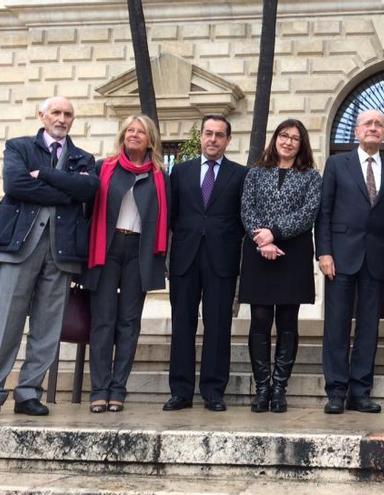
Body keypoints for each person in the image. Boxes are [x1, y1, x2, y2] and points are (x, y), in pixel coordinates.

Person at [0, 96, 99, 418]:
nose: (62, 118)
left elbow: (87, 192)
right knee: (6, 322)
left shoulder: (83, 158)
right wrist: (66, 191)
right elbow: (16, 185)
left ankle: (29, 392)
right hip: (18, 245)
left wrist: (43, 175)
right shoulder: (19, 147)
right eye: (55, 112)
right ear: (42, 115)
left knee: (48, 324)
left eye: (68, 114)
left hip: (62, 250)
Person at [316, 109, 384, 414]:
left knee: (369, 327)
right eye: (368, 124)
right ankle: (336, 391)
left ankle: (360, 392)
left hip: (377, 259)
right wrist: (323, 252)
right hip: (340, 256)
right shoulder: (337, 164)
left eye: (379, 125)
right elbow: (324, 211)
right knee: (336, 325)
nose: (374, 128)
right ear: (356, 131)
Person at [84, 114, 168, 413]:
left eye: (141, 132)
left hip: (139, 250)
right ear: (123, 135)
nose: (134, 135)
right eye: (130, 130)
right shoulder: (104, 168)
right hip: (105, 248)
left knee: (129, 323)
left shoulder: (159, 175)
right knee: (103, 321)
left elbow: (166, 220)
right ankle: (99, 389)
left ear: (150, 140)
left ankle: (118, 388)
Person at [164, 115, 247, 412]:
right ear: (201, 137)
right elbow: (171, 217)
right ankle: (180, 392)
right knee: (182, 325)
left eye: (219, 135)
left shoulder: (241, 174)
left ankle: (213, 391)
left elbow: (243, 219)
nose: (213, 139)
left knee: (218, 326)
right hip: (185, 259)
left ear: (228, 140)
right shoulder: (180, 172)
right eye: (208, 134)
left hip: (221, 260)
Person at [239, 119, 322, 413]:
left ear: (302, 145)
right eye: (283, 136)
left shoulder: (312, 177)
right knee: (260, 320)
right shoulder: (255, 173)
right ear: (275, 139)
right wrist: (262, 239)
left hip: (293, 253)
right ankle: (262, 389)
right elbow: (247, 209)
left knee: (287, 322)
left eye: (295, 138)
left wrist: (274, 232)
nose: (287, 142)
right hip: (258, 251)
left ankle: (279, 389)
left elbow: (308, 214)